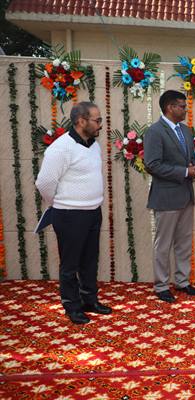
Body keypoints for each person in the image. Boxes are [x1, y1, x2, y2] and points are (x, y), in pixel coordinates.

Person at [36, 102, 111, 324]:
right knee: (70, 264)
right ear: (81, 121)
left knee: (90, 260)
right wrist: (58, 203)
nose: (100, 125)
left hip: (92, 212)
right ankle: (72, 306)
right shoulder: (61, 148)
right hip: (69, 215)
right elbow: (45, 183)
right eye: (97, 120)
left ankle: (90, 300)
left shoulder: (93, 145)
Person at [144, 90, 195, 303]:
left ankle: (182, 281)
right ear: (169, 107)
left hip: (186, 195)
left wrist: (194, 169)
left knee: (184, 242)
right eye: (181, 106)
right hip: (166, 197)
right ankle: (161, 285)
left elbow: (189, 158)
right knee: (164, 243)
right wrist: (185, 172)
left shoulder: (186, 131)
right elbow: (152, 165)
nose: (185, 110)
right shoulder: (155, 132)